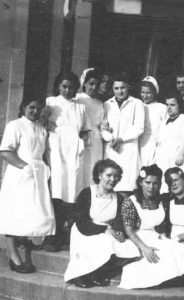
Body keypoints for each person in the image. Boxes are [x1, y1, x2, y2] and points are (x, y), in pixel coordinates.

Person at [114, 164, 184, 289]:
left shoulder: (160, 200)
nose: (151, 187)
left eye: (155, 183)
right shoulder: (131, 201)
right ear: (141, 182)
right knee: (161, 258)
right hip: (139, 239)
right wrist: (144, 248)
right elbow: (129, 231)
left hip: (157, 237)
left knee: (181, 251)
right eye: (147, 182)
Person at [0, 99, 55, 273]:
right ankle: (14, 257)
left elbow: (42, 153)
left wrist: (44, 171)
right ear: (23, 107)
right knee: (15, 214)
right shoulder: (15, 125)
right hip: (20, 174)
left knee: (32, 214)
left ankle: (24, 246)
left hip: (37, 175)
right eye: (31, 107)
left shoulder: (41, 129)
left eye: (38, 108)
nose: (34, 111)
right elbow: (5, 151)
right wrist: (25, 167)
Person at [43, 71, 92, 251]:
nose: (67, 90)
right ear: (58, 86)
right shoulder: (51, 102)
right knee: (56, 191)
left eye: (71, 87)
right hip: (56, 150)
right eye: (64, 86)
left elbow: (85, 130)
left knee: (72, 192)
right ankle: (52, 235)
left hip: (74, 152)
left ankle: (66, 234)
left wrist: (81, 145)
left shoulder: (81, 107)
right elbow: (43, 124)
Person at [64, 159, 126, 288]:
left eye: (116, 176)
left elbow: (119, 220)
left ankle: (99, 273)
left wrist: (119, 231)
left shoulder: (119, 198)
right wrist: (104, 230)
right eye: (108, 175)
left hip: (107, 230)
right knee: (100, 243)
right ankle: (80, 274)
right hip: (85, 229)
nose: (112, 179)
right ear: (99, 175)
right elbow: (81, 220)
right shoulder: (87, 192)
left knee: (127, 247)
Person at [102, 72, 145, 198]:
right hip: (112, 149)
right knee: (110, 184)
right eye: (116, 88)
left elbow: (139, 128)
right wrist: (110, 138)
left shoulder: (137, 103)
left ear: (128, 87)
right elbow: (103, 127)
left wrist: (121, 139)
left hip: (128, 150)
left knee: (126, 186)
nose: (120, 91)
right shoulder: (107, 104)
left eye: (123, 88)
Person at [155, 90, 184, 193]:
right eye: (167, 104)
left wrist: (181, 154)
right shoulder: (164, 122)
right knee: (165, 188)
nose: (169, 107)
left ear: (180, 105)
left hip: (178, 159)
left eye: (172, 105)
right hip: (164, 160)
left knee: (179, 186)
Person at [76, 68, 105, 187]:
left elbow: (103, 123)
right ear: (84, 83)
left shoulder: (100, 103)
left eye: (96, 85)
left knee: (93, 170)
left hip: (96, 141)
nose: (93, 87)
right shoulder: (77, 99)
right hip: (81, 138)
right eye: (91, 84)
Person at [139, 76, 166, 166]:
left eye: (148, 93)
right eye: (143, 92)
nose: (145, 96)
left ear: (154, 93)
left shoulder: (162, 108)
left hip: (156, 145)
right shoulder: (137, 105)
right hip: (140, 143)